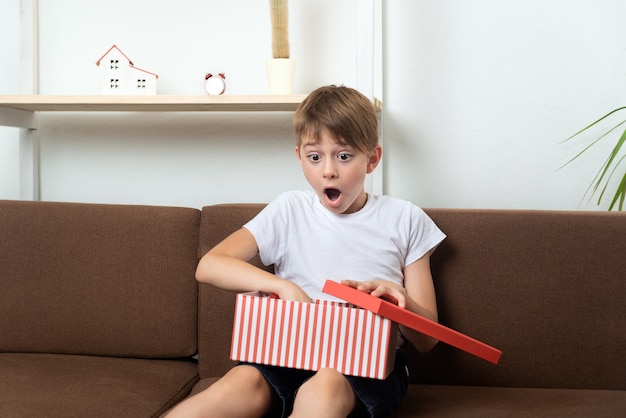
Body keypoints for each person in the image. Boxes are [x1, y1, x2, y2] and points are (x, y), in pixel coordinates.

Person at [165, 85, 446, 418]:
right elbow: (210, 265)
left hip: (363, 366)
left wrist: (397, 301)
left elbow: (428, 339)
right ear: (300, 158)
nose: (328, 170)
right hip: (286, 353)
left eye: (344, 156)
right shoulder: (290, 208)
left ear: (371, 159)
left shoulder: (405, 218)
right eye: (315, 157)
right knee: (239, 381)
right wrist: (282, 286)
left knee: (325, 385)